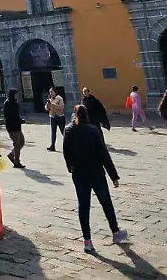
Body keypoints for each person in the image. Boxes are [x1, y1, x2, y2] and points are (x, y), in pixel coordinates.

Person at [63, 104, 128, 250]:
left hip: (78, 173)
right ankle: (115, 232)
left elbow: (66, 152)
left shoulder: (68, 130)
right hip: (96, 172)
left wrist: (70, 168)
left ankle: (87, 241)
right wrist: (114, 176)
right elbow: (104, 154)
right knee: (106, 203)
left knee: (83, 206)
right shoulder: (93, 130)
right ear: (87, 115)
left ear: (74, 115)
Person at [3, 89, 27, 168]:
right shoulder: (7, 104)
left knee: (22, 142)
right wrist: (16, 121)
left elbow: (16, 115)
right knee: (17, 144)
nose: (16, 96)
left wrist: (20, 120)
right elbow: (8, 116)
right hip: (11, 127)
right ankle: (17, 162)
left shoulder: (15, 103)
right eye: (15, 94)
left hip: (17, 126)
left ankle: (11, 154)